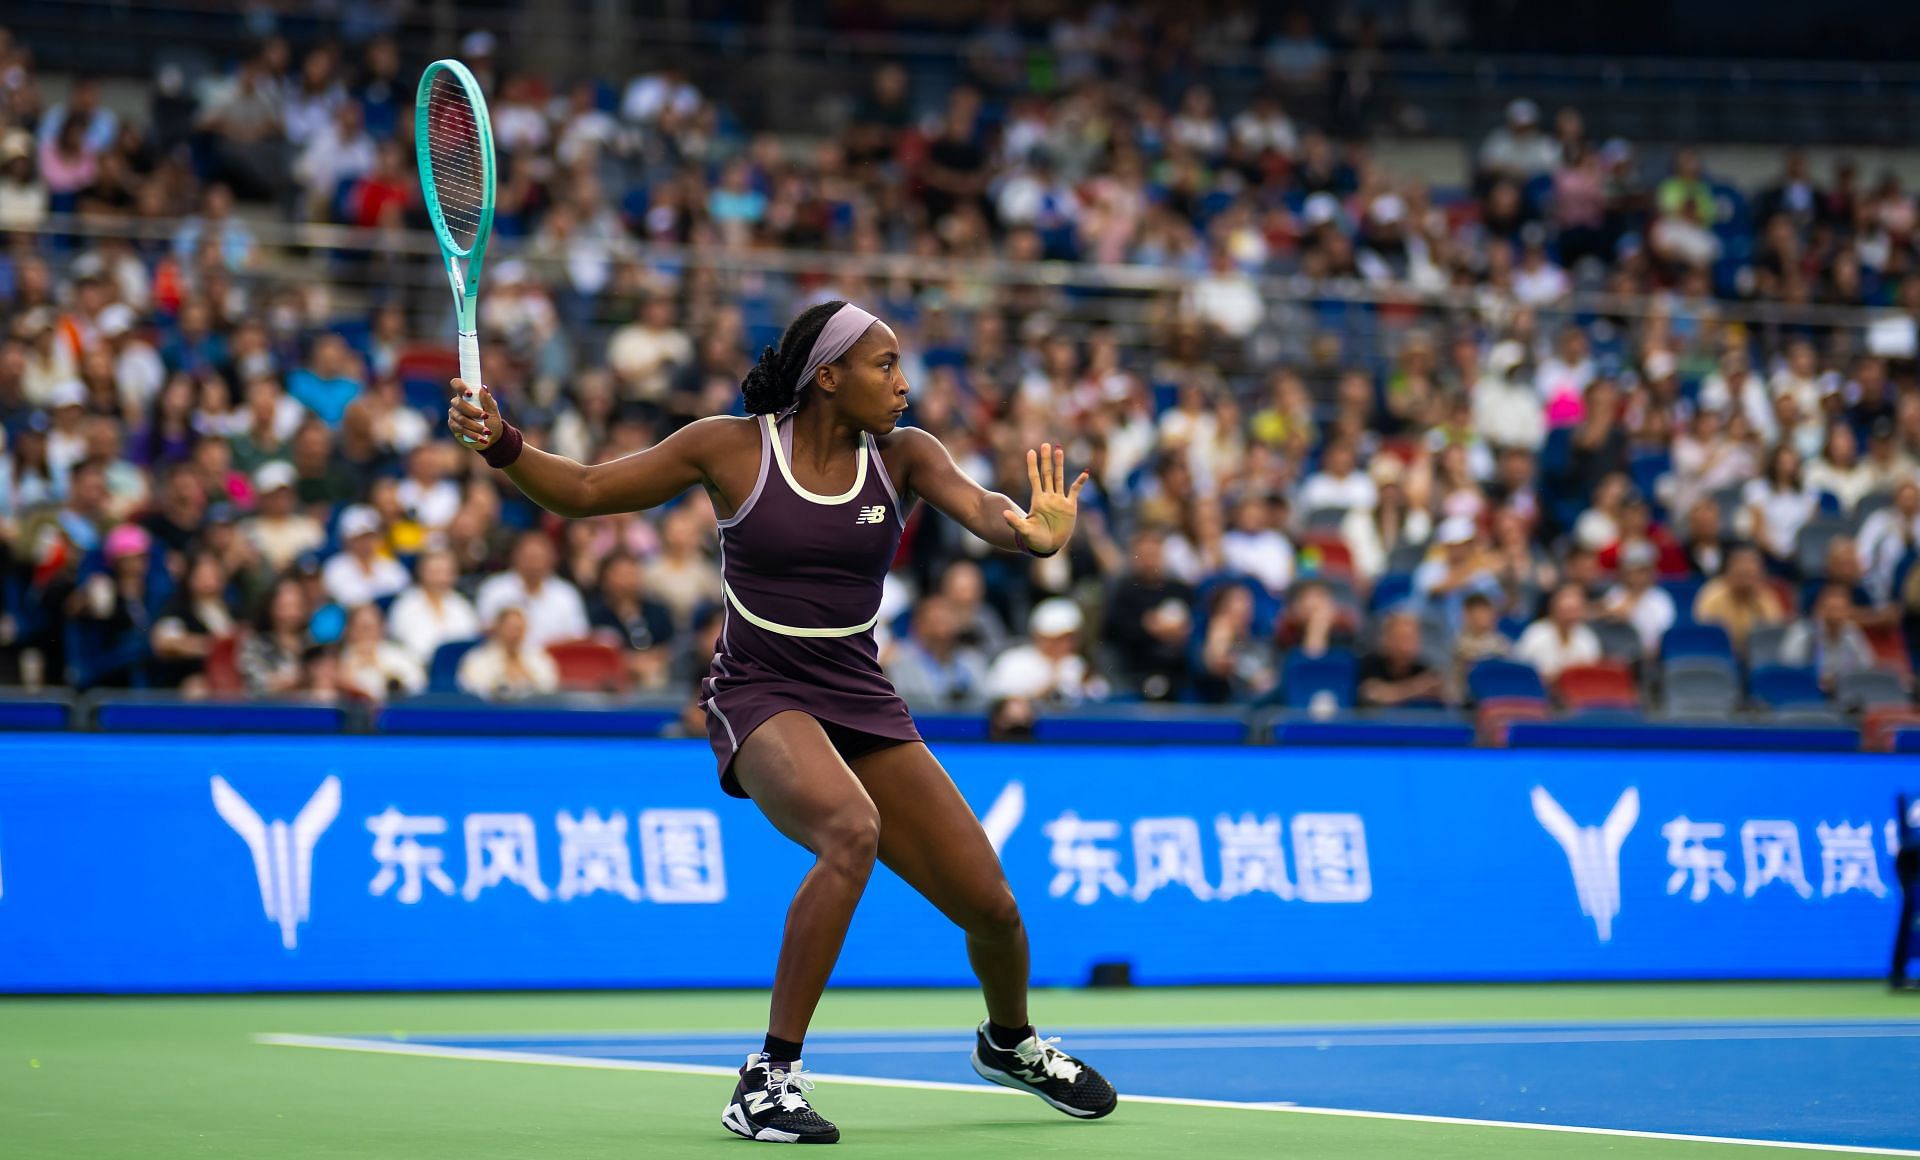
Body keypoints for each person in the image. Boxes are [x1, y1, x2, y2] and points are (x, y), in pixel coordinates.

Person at [447, 300, 1116, 1143]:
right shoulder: (729, 446)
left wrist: (1031, 536)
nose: (903, 384)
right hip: (761, 687)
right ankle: (768, 1077)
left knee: (994, 910)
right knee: (849, 831)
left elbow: (983, 507)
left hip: (859, 692)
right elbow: (584, 490)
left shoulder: (906, 456)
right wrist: (503, 444)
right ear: (826, 376)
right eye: (884, 366)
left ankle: (1009, 1043)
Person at [884, 593, 990, 708]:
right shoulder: (899, 659)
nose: (942, 628)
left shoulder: (973, 661)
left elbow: (983, 704)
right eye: (935, 621)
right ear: (919, 625)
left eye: (947, 619)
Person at [1693, 544, 1789, 659]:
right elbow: (1706, 638)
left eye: (1752, 565)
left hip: (1756, 661)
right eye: (1741, 564)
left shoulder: (1766, 597)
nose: (1747, 568)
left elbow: (1772, 640)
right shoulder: (1712, 595)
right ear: (1728, 568)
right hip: (1721, 659)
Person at [387, 548, 481, 665]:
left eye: (448, 572)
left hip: (460, 668)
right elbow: (404, 646)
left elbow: (471, 640)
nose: (442, 578)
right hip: (419, 668)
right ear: (421, 572)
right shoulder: (405, 606)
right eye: (436, 572)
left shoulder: (462, 605)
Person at [1780, 584, 1876, 692]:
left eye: (1841, 610)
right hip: (1807, 691)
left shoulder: (1851, 632)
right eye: (1831, 609)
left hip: (1845, 691)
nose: (1836, 615)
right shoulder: (1802, 632)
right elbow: (1789, 669)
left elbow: (1867, 666)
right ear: (1819, 609)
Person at [456, 605, 558, 700]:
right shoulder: (477, 659)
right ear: (497, 629)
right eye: (510, 629)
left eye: (519, 629)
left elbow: (549, 687)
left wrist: (529, 677)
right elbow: (474, 690)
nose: (515, 635)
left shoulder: (538, 658)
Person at [1514, 583, 1601, 682]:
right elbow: (1519, 671)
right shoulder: (1535, 634)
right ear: (1553, 605)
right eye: (1567, 608)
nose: (1571, 610)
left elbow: (1590, 677)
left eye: (1575, 608)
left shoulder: (1587, 638)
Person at [1357, 611, 1445, 708]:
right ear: (1386, 640)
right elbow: (1372, 695)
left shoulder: (1423, 669)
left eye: (1411, 639)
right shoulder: (1370, 664)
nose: (1406, 647)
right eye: (1401, 639)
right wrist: (1418, 687)